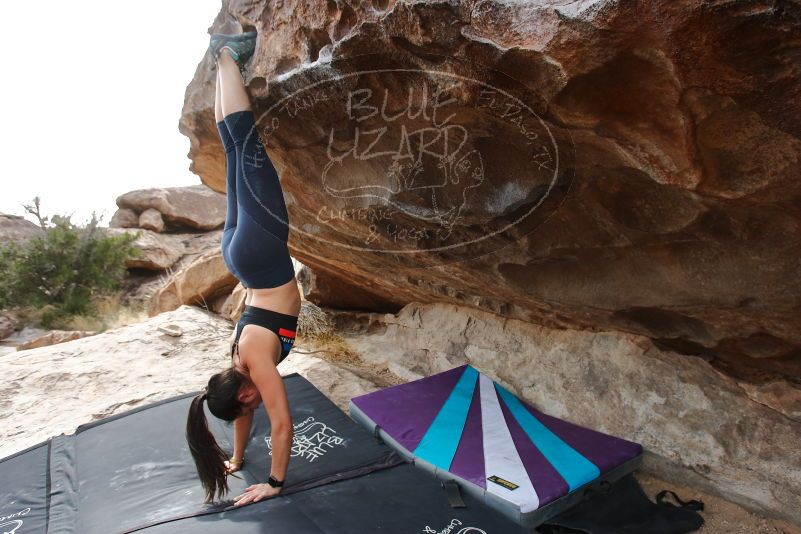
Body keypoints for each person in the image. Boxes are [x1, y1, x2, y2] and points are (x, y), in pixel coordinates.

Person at [185, 30, 302, 507]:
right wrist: (235, 459)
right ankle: (223, 64)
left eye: (243, 405)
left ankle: (227, 54)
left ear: (243, 392)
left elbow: (282, 422)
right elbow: (248, 417)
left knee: (244, 139)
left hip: (258, 251)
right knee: (234, 148)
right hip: (240, 255)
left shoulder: (254, 359)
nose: (248, 407)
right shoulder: (238, 363)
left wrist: (273, 484)